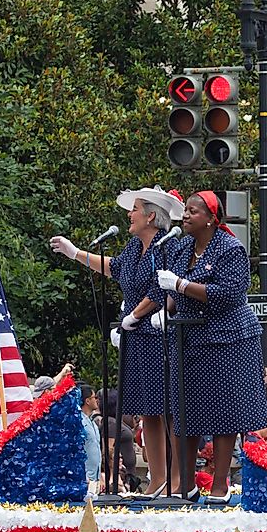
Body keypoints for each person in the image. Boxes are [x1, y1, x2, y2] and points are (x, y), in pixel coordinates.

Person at [50, 185, 183, 496]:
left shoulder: (166, 248)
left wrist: (134, 315)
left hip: (157, 334)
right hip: (135, 336)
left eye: (135, 209)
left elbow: (160, 290)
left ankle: (178, 479)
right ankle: (158, 478)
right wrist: (76, 253)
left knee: (168, 409)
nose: (129, 214)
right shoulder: (134, 249)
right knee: (147, 410)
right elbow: (113, 267)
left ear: (151, 216)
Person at [156, 191, 267, 502]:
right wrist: (165, 309)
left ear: (210, 218)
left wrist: (181, 285)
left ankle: (220, 485)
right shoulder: (180, 248)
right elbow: (171, 291)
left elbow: (229, 293)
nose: (186, 216)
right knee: (185, 410)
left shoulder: (230, 249)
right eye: (185, 211)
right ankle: (186, 484)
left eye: (193, 211)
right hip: (188, 337)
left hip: (228, 338)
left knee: (224, 410)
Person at [78, 384, 102, 486]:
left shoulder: (92, 422)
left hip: (95, 477)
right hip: (85, 477)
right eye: (94, 397)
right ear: (87, 401)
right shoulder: (79, 421)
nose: (96, 400)